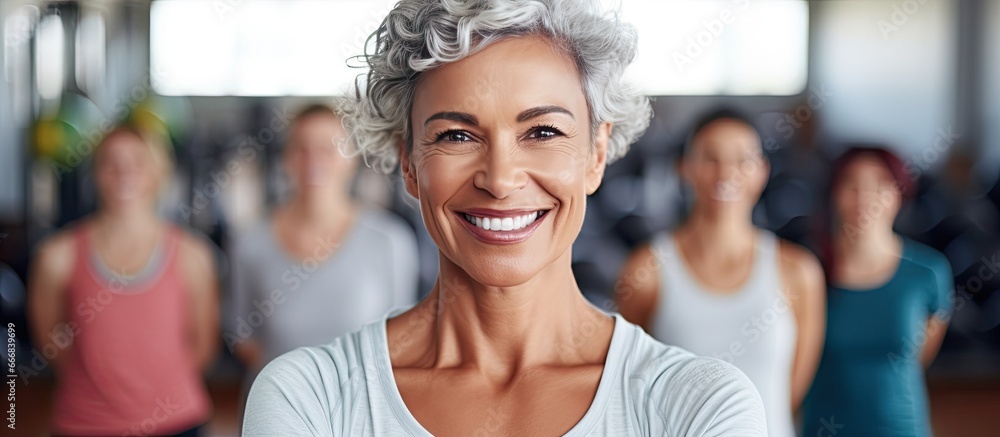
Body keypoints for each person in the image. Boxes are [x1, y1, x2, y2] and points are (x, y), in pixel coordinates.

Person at [243, 1, 767, 435]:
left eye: (542, 132)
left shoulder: (702, 409)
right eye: (457, 135)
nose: (499, 178)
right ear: (408, 163)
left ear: (596, 153)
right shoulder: (309, 400)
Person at [615, 109, 826, 437]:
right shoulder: (646, 270)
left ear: (762, 172)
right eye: (710, 158)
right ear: (684, 168)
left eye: (743, 160)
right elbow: (632, 380)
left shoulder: (799, 271)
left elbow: (792, 390)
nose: (726, 172)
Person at [28, 126, 217, 436]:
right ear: (96, 173)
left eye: (137, 162)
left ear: (158, 172)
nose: (123, 173)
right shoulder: (56, 256)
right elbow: (50, 342)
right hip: (84, 423)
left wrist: (147, 395)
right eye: (110, 162)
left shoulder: (193, 255)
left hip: (177, 423)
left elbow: (202, 346)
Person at [227, 104, 419, 395]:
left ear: (352, 157)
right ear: (286, 158)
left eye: (329, 147)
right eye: (301, 148)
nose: (314, 159)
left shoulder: (391, 241)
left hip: (359, 413)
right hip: (277, 409)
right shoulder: (251, 242)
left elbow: (404, 340)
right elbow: (243, 339)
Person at [802, 147, 953, 437]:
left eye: (880, 184)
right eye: (852, 184)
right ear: (834, 192)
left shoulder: (928, 273)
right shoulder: (808, 271)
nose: (864, 197)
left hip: (901, 428)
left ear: (899, 193)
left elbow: (921, 354)